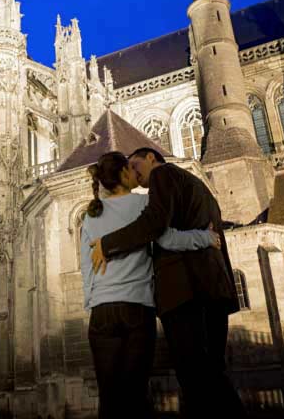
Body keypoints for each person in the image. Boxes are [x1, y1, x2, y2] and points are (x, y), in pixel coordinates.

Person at [89, 147, 244, 418]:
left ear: (152, 158)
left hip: (187, 291)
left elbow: (155, 225)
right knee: (211, 374)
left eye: (136, 166)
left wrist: (107, 243)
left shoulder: (163, 175)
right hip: (213, 287)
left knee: (195, 376)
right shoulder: (199, 187)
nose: (135, 175)